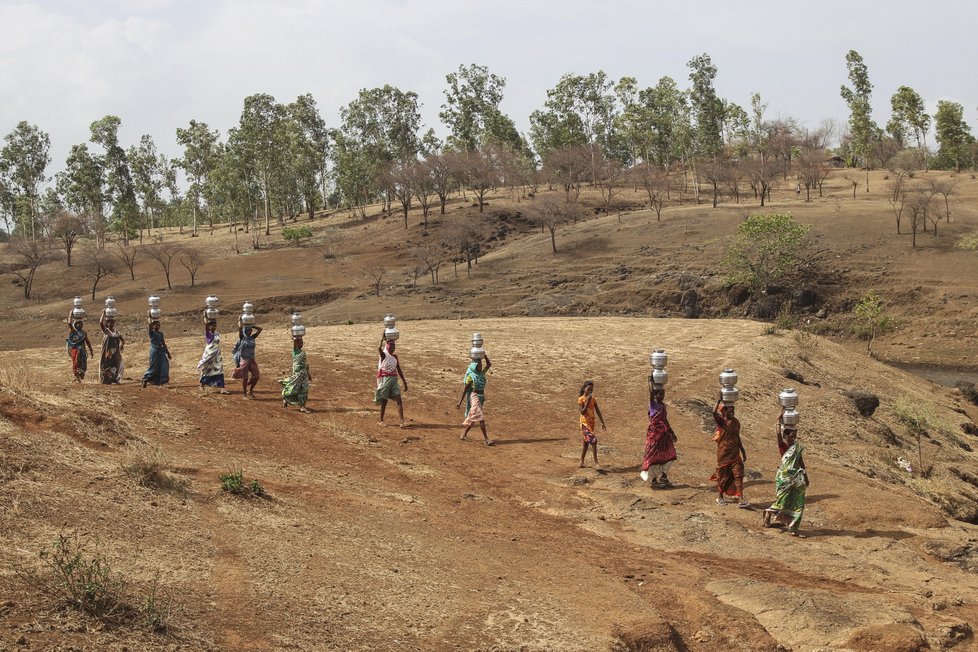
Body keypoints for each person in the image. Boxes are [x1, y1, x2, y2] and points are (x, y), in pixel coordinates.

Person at [764, 413, 810, 536]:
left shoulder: (797, 447)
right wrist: (778, 419)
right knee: (783, 501)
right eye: (791, 436)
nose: (793, 439)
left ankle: (794, 528)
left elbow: (801, 462)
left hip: (797, 478)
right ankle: (769, 511)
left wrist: (805, 476)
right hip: (784, 478)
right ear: (786, 435)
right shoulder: (783, 446)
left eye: (795, 436)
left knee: (799, 502)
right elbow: (778, 433)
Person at [710, 395, 749, 507]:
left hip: (735, 453)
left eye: (733, 411)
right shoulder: (722, 422)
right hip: (724, 454)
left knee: (738, 474)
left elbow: (737, 436)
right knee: (725, 476)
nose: (732, 413)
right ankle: (720, 496)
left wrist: (742, 449)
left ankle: (741, 499)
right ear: (725, 412)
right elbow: (713, 412)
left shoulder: (736, 422)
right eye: (730, 412)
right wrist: (718, 400)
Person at [640, 380, 678, 487]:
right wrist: (651, 382)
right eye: (659, 394)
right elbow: (650, 393)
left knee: (670, 454)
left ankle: (664, 477)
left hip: (664, 435)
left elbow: (665, 420)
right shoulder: (652, 404)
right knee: (653, 456)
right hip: (654, 436)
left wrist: (672, 432)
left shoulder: (663, 406)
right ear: (655, 395)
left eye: (663, 394)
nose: (662, 396)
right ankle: (653, 480)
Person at [457, 354, 493, 445]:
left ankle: (463, 434)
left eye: (481, 365)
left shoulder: (481, 374)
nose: (481, 367)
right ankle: (486, 439)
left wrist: (484, 356)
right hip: (474, 397)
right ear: (475, 367)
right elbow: (465, 390)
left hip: (481, 398)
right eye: (479, 365)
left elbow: (489, 365)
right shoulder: (471, 377)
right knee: (480, 417)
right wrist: (460, 402)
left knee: (474, 417)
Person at [374, 336, 407, 427]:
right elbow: (379, 348)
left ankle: (402, 421)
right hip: (385, 380)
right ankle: (381, 421)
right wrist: (382, 337)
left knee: (398, 399)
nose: (392, 348)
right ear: (387, 347)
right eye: (391, 347)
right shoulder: (384, 355)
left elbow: (399, 369)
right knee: (384, 400)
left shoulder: (395, 357)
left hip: (393, 380)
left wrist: (404, 382)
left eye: (394, 347)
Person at [577, 380, 606, 468]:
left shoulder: (593, 399)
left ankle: (581, 461)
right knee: (594, 440)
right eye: (588, 389)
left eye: (591, 390)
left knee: (586, 442)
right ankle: (596, 463)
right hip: (584, 424)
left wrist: (602, 422)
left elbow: (598, 411)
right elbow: (582, 412)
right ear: (584, 389)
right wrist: (587, 402)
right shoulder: (581, 399)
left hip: (591, 424)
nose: (590, 391)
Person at [231, 319, 262, 399]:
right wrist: (240, 322)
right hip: (244, 359)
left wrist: (251, 325)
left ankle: (250, 390)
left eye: (251, 330)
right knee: (245, 377)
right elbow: (240, 329)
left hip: (252, 359)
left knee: (256, 376)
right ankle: (244, 394)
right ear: (245, 331)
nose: (250, 332)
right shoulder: (242, 338)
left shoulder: (252, 338)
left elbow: (260, 329)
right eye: (248, 330)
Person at [197, 316, 229, 393]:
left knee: (219, 369)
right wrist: (205, 318)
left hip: (217, 355)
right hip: (209, 355)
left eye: (215, 325)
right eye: (212, 325)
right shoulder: (208, 334)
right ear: (209, 326)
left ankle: (222, 388)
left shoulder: (217, 334)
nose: (214, 327)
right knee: (207, 369)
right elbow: (206, 327)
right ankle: (201, 385)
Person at [281, 335, 312, 413]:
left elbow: (305, 365)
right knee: (293, 388)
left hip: (304, 374)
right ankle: (285, 399)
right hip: (297, 374)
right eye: (299, 342)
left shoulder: (303, 352)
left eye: (302, 342)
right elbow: (295, 343)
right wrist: (295, 339)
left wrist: (308, 374)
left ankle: (303, 407)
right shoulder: (295, 351)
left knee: (304, 390)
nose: (301, 343)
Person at [141, 317, 171, 387]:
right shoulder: (152, 333)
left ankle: (160, 381)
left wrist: (168, 353)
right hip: (154, 351)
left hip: (161, 351)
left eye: (159, 325)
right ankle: (146, 378)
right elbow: (149, 325)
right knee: (153, 367)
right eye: (156, 325)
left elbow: (163, 343)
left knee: (164, 365)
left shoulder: (161, 334)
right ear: (153, 326)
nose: (158, 326)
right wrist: (149, 317)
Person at [65, 311, 93, 382]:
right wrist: (70, 314)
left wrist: (91, 350)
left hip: (83, 351)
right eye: (79, 323)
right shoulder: (73, 331)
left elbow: (87, 342)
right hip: (75, 350)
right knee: (76, 362)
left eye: (81, 323)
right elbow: (69, 323)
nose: (80, 325)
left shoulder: (84, 333)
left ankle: (80, 375)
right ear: (75, 324)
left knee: (83, 363)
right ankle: (77, 376)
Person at [98, 310, 125, 384]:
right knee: (107, 364)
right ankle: (106, 379)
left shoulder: (116, 332)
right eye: (110, 322)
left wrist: (122, 344)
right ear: (107, 323)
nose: (112, 324)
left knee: (118, 363)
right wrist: (103, 315)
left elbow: (122, 340)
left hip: (116, 352)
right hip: (108, 352)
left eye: (113, 323)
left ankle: (117, 379)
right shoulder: (106, 331)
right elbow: (100, 323)